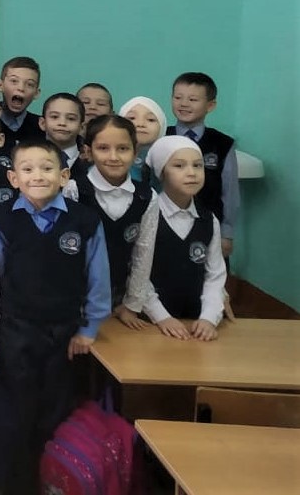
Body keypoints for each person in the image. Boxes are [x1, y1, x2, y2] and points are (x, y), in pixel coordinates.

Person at [0, 140, 110, 494]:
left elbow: (98, 278)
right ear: (13, 178)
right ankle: (16, 485)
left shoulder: (85, 220)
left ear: (64, 175)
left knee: (57, 411)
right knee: (16, 413)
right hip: (15, 330)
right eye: (27, 169)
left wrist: (89, 329)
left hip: (65, 333)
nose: (37, 176)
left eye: (46, 168)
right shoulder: (3, 217)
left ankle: (55, 482)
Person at [120, 135, 227, 341]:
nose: (191, 173)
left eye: (198, 165)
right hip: (148, 323)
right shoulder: (146, 214)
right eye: (179, 165)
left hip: (194, 325)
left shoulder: (208, 219)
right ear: (161, 173)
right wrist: (162, 317)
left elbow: (215, 276)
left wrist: (209, 318)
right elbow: (137, 271)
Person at [63, 115, 153, 313]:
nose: (113, 157)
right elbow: (65, 251)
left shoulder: (147, 196)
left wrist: (132, 305)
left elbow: (143, 254)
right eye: (103, 148)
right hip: (76, 300)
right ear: (88, 152)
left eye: (123, 148)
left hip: (119, 298)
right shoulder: (73, 190)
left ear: (135, 151)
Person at [167, 72, 239, 259]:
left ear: (210, 105)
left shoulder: (223, 144)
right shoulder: (161, 137)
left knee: (209, 273)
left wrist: (227, 233)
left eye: (192, 99)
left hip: (209, 225)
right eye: (178, 97)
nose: (183, 104)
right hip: (165, 224)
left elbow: (230, 192)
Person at [0, 56, 44, 154]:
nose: (21, 88)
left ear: (36, 93)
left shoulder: (42, 126)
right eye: (14, 81)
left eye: (29, 84)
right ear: (0, 85)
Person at [120, 96, 167, 185]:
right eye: (132, 118)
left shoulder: (169, 163)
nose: (140, 124)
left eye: (150, 119)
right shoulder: (109, 161)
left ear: (162, 126)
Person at [39, 93, 86, 175]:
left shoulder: (91, 163)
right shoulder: (25, 158)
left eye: (71, 118)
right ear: (42, 123)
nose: (62, 123)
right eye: (54, 117)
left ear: (81, 127)